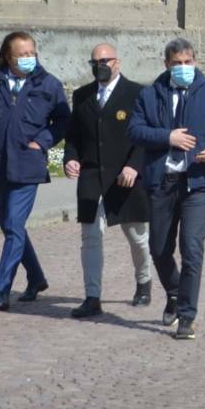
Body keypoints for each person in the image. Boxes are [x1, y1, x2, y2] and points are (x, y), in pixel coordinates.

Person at [129, 38, 205, 340]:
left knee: (191, 249)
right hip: (161, 182)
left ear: (195, 62)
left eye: (188, 62)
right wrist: (167, 137)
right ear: (166, 65)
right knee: (158, 248)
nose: (183, 68)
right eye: (177, 63)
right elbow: (134, 130)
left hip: (198, 184)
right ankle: (175, 292)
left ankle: (186, 316)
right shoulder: (149, 95)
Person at [0, 30, 70, 311]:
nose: (27, 58)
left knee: (12, 226)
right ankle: (35, 278)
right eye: (21, 54)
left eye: (31, 53)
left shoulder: (48, 84)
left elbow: (62, 121)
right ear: (7, 57)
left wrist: (43, 141)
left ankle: (2, 289)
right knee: (11, 224)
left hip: (28, 165)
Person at [64, 41, 155, 318]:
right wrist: (71, 157)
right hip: (92, 176)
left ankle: (144, 281)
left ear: (117, 62)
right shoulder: (82, 96)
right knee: (90, 237)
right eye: (95, 62)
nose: (100, 66)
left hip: (125, 178)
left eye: (105, 61)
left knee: (137, 237)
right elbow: (74, 135)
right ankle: (92, 296)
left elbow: (146, 136)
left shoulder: (137, 94)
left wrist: (134, 167)